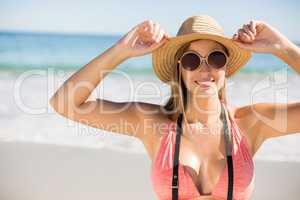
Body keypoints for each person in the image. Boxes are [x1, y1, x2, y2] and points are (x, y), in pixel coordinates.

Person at [49, 15, 300, 200]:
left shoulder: (250, 123)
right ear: (179, 69)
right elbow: (65, 104)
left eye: (216, 58)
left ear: (226, 67)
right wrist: (120, 51)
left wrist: (284, 48)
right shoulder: (152, 124)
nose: (205, 69)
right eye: (192, 60)